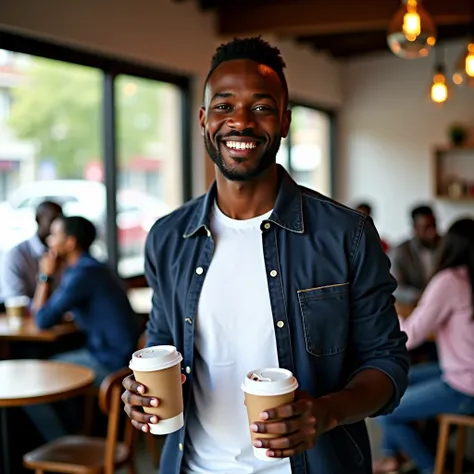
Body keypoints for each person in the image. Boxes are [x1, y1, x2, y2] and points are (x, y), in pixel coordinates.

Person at [122, 37, 409, 474]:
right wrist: (140, 394)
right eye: (223, 106)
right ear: (203, 119)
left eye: (261, 107)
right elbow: (162, 341)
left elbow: (386, 363)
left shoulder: (345, 234)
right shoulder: (168, 237)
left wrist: (326, 413)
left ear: (284, 121)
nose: (240, 121)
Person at [25, 215, 140, 441]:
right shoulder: (94, 267)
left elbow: (41, 319)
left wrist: (45, 275)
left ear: (70, 242)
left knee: (33, 380)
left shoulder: (81, 273)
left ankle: (61, 448)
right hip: (123, 356)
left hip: (111, 362)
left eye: (55, 235)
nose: (49, 240)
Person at [373, 218, 474, 474]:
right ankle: (392, 457)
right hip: (459, 370)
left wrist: (387, 310)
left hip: (464, 385)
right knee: (394, 379)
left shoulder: (450, 281)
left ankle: (431, 468)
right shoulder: (465, 278)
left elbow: (409, 335)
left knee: (385, 408)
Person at [0, 200, 62, 301]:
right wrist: (44, 277)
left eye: (60, 222)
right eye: (53, 220)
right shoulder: (15, 255)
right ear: (38, 219)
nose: (57, 227)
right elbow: (15, 302)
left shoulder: (63, 253)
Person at [391, 205, 441, 306]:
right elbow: (395, 288)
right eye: (426, 227)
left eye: (434, 226)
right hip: (413, 307)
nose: (432, 232)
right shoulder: (401, 252)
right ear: (415, 228)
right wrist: (420, 297)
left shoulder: (445, 246)